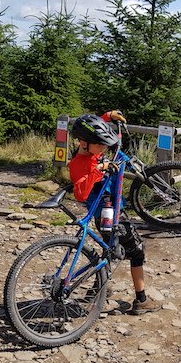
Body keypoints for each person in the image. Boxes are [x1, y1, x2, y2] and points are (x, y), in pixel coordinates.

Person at [68, 110, 160, 315]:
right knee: (137, 252)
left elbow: (92, 126)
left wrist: (108, 116)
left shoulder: (90, 152)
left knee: (109, 249)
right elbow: (81, 194)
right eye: (100, 145)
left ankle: (97, 289)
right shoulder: (80, 164)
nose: (104, 148)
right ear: (83, 143)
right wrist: (100, 168)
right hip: (109, 216)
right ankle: (141, 300)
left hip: (108, 214)